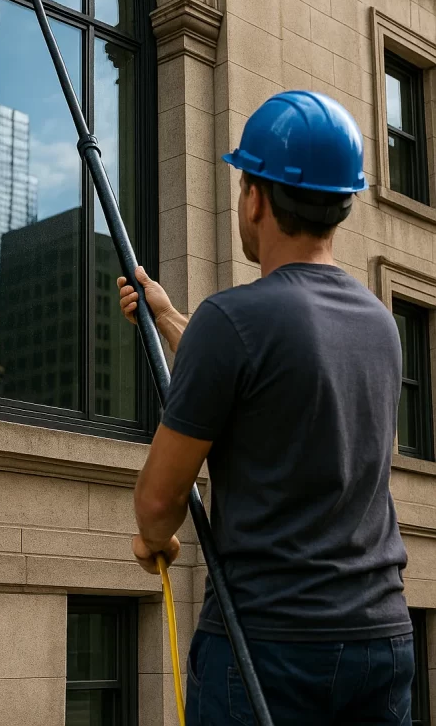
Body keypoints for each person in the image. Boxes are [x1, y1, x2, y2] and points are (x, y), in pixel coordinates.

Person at [118, 91, 413, 725]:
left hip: (268, 645)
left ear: (255, 197)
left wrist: (153, 539)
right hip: (381, 643)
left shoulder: (235, 319)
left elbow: (157, 499)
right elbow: (276, 370)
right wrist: (167, 316)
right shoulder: (380, 325)